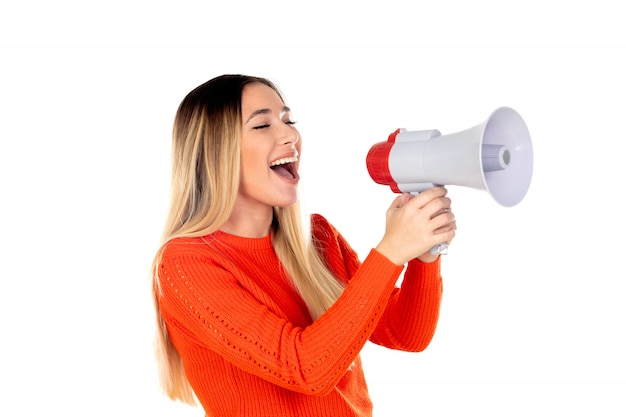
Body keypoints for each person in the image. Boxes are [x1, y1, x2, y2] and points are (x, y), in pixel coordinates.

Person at [151, 74, 456, 416]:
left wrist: (423, 257)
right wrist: (391, 252)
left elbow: (405, 333)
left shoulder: (317, 238)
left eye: (288, 120)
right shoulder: (186, 266)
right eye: (262, 125)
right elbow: (306, 369)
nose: (290, 135)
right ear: (215, 151)